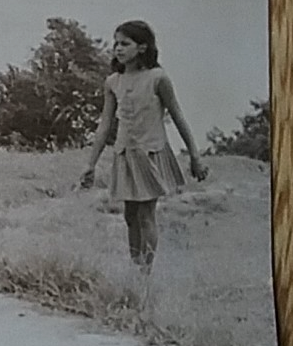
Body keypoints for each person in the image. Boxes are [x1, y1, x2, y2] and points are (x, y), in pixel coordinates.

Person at [81, 20, 208, 272]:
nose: (118, 48)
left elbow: (178, 116)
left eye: (125, 44)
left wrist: (195, 156)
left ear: (142, 47)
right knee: (130, 216)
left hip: (151, 153)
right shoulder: (112, 82)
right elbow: (105, 125)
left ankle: (145, 272)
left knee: (146, 214)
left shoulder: (157, 78)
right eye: (116, 43)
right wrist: (90, 165)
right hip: (124, 154)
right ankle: (135, 265)